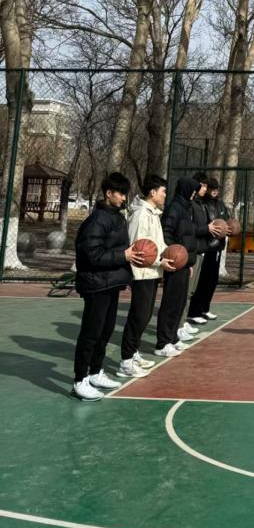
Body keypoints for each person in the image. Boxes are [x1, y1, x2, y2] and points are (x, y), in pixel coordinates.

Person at [72, 172, 140, 401]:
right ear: (108, 193)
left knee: (106, 330)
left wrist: (127, 269)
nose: (124, 198)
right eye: (120, 193)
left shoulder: (117, 218)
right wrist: (123, 256)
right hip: (96, 284)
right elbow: (91, 255)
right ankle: (79, 380)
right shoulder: (97, 220)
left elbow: (118, 251)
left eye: (125, 194)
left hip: (110, 282)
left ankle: (95, 372)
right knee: (91, 333)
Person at [119, 175, 176, 378]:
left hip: (152, 271)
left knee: (145, 315)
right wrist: (159, 261)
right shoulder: (141, 214)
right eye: (163, 191)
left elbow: (158, 244)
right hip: (141, 272)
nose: (165, 195)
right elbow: (138, 247)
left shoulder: (153, 213)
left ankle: (134, 352)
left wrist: (171, 254)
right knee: (138, 316)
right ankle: (126, 361)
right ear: (153, 192)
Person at [155, 176, 200, 357]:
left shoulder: (186, 208)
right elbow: (166, 234)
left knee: (180, 303)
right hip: (175, 263)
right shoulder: (174, 208)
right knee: (171, 303)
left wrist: (188, 262)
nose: (195, 194)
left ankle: (172, 337)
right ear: (186, 190)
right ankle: (162, 343)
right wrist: (176, 255)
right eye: (193, 191)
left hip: (184, 263)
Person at [181, 173, 225, 335]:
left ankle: (198, 312)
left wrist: (226, 227)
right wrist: (207, 229)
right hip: (199, 248)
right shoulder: (193, 205)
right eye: (205, 186)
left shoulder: (214, 204)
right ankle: (190, 315)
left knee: (207, 282)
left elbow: (223, 221)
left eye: (209, 187)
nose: (207, 189)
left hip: (209, 247)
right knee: (192, 287)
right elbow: (190, 228)